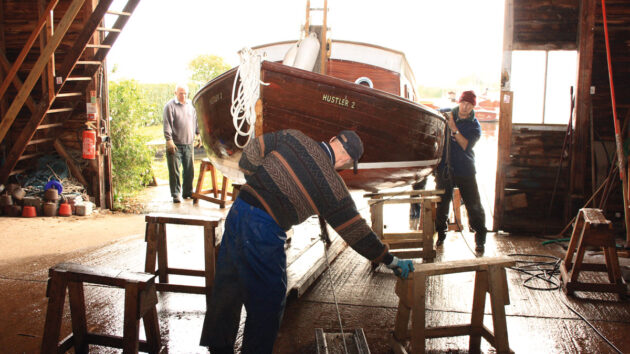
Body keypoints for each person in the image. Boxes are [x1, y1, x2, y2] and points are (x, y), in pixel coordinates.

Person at [199, 129, 414, 353]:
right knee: (268, 300)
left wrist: (255, 179)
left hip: (239, 210)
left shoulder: (294, 137)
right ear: (349, 161)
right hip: (264, 228)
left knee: (228, 286)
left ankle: (218, 348)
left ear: (332, 140)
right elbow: (357, 232)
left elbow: (253, 149)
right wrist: (390, 260)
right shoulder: (333, 187)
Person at [435, 90, 487, 253]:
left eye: (470, 105)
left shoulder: (474, 126)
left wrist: (453, 128)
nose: (465, 107)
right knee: (441, 205)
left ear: (473, 107)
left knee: (473, 205)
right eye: (463, 103)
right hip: (444, 168)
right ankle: (440, 235)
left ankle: (480, 238)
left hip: (465, 168)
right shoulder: (445, 113)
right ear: (459, 102)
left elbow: (465, 145)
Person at [163, 83, 200, 203]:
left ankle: (187, 192)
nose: (183, 96)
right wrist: (169, 140)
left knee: (189, 170)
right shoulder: (170, 106)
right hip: (175, 144)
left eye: (185, 93)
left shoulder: (191, 106)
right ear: (175, 93)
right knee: (174, 171)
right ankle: (175, 194)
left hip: (189, 143)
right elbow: (167, 124)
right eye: (181, 93)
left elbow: (195, 121)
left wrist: (198, 134)